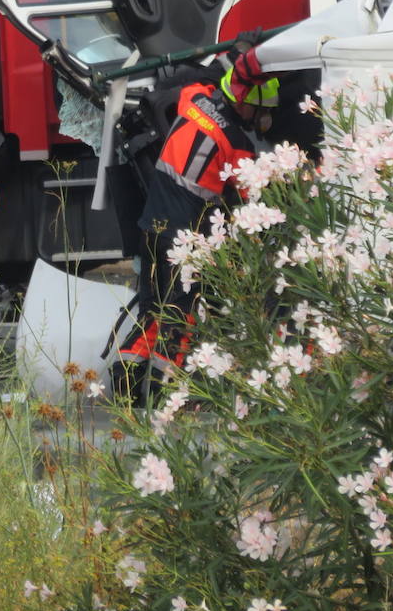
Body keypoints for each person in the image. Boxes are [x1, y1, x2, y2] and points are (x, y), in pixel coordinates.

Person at [114, 48, 279, 397]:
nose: (262, 120)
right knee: (178, 318)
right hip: (184, 242)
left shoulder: (195, 100)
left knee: (152, 311)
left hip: (151, 226)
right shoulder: (238, 146)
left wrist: (233, 59)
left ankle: (124, 385)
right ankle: (159, 395)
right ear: (249, 104)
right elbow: (252, 203)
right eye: (263, 112)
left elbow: (197, 82)